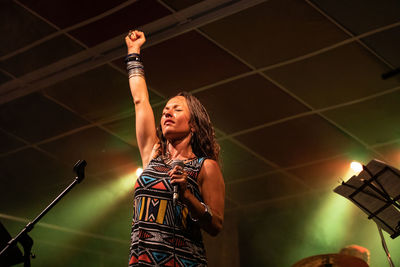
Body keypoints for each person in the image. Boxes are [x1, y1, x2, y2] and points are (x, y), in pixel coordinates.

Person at [124, 30, 225, 267]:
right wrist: (133, 52)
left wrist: (188, 196)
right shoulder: (153, 153)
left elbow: (216, 225)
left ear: (193, 123)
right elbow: (140, 100)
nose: (167, 112)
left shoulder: (205, 167)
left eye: (177, 109)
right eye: (165, 110)